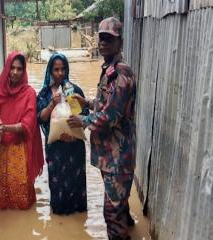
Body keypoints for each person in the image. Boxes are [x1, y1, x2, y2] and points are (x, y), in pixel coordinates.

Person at [68, 17, 136, 240]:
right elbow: (105, 105)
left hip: (118, 158)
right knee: (119, 207)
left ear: (120, 43)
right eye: (101, 38)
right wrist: (87, 102)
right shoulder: (109, 70)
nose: (104, 43)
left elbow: (110, 116)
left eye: (109, 39)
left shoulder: (121, 74)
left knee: (111, 214)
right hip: (110, 155)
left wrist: (83, 120)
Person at [0, 51, 44, 210]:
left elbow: (28, 124)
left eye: (19, 69)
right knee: (2, 198)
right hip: (1, 148)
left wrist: (6, 128)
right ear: (7, 68)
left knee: (20, 194)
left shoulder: (29, 93)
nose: (15, 72)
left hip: (19, 148)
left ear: (24, 70)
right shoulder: (0, 91)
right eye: (12, 68)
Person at [36, 53, 88, 215]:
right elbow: (40, 118)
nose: (60, 73)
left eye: (63, 69)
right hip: (55, 150)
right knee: (57, 186)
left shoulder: (75, 91)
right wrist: (53, 103)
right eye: (56, 69)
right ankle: (59, 214)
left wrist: (73, 136)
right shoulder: (45, 94)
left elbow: (85, 116)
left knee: (76, 185)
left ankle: (79, 218)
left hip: (75, 148)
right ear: (50, 71)